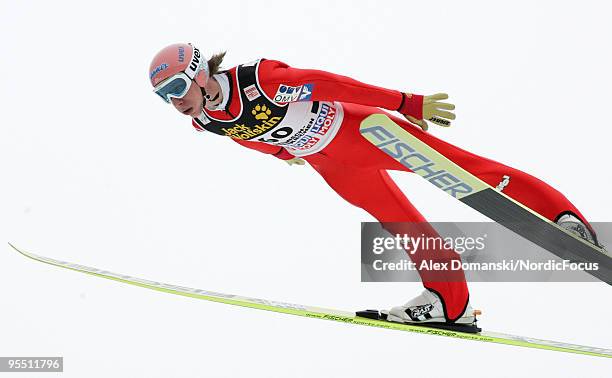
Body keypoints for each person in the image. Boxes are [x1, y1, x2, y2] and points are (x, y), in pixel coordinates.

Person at [148, 43, 601, 326]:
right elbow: (250, 139)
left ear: (200, 73)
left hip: (360, 133)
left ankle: (565, 220)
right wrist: (286, 154)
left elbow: (334, 84)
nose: (175, 103)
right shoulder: (205, 122)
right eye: (164, 97)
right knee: (401, 224)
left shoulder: (258, 82)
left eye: (177, 89)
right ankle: (449, 300)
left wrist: (407, 103)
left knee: (465, 170)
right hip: (331, 165)